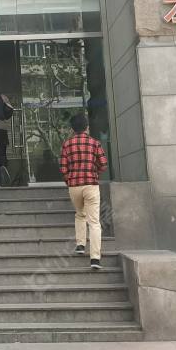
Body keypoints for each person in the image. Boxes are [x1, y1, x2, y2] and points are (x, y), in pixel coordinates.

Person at [59, 113, 108, 269]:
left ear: (72, 129)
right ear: (87, 127)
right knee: (94, 222)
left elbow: (63, 168)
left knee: (80, 214)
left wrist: (69, 181)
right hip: (91, 185)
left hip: (74, 186)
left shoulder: (67, 144)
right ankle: (95, 259)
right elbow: (103, 164)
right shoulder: (95, 143)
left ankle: (80, 245)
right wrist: (94, 172)